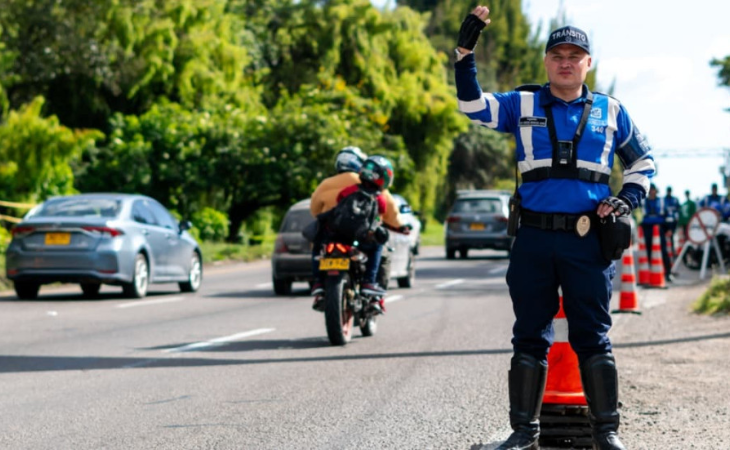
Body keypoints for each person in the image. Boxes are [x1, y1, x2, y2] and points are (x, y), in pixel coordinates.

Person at [455, 8, 655, 450]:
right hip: (533, 240)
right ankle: (524, 433)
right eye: (558, 55)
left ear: (588, 63)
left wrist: (627, 199)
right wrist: (464, 53)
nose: (566, 62)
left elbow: (643, 162)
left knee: (593, 336)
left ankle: (606, 433)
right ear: (546, 62)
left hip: (588, 243)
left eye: (575, 55)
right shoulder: (521, 103)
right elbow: (472, 106)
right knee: (529, 333)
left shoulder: (611, 110)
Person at [641, 184, 671, 280]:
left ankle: (668, 273)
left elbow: (667, 215)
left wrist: (669, 229)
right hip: (648, 228)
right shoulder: (644, 201)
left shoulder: (661, 201)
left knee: (663, 251)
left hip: (659, 228)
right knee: (649, 250)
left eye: (653, 190)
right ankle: (653, 273)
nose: (652, 192)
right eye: (650, 190)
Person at [663, 186, 680, 262]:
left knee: (672, 237)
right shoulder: (663, 200)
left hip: (673, 221)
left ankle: (672, 251)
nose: (669, 192)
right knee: (664, 237)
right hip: (665, 221)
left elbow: (678, 209)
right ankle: (665, 251)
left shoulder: (675, 199)